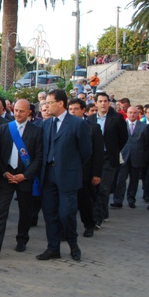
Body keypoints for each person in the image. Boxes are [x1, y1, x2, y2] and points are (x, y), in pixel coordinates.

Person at [37, 89, 91, 262]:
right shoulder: (45, 124)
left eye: (49, 102)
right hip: (48, 175)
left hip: (68, 176)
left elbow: (86, 152)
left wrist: (71, 166)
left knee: (66, 213)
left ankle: (73, 245)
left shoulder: (77, 124)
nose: (46, 106)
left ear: (60, 103)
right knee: (50, 213)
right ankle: (53, 248)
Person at [0, 100, 42, 257]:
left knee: (25, 211)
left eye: (21, 111)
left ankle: (22, 239)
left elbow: (38, 158)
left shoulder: (37, 131)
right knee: (0, 211)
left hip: (24, 177)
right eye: (15, 110)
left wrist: (25, 175)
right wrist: (3, 172)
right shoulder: (4, 129)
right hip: (6, 176)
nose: (17, 114)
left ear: (29, 112)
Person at [87, 92, 128, 228]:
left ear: (109, 103)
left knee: (104, 188)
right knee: (94, 187)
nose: (103, 104)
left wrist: (113, 150)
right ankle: (103, 212)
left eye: (105, 101)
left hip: (108, 158)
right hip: (93, 158)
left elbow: (123, 137)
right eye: (100, 101)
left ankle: (97, 218)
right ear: (96, 103)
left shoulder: (116, 118)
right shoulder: (91, 119)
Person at [69, 98, 103, 238]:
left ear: (83, 110)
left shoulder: (93, 127)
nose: (73, 112)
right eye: (70, 109)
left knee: (85, 201)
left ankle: (89, 224)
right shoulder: (65, 125)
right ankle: (67, 229)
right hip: (68, 170)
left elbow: (98, 152)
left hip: (85, 172)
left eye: (76, 109)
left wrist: (96, 174)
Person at [112, 106, 148, 209]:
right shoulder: (120, 125)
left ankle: (131, 199)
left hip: (137, 157)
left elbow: (146, 143)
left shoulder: (144, 126)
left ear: (138, 114)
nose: (132, 115)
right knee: (120, 179)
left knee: (134, 180)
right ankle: (118, 200)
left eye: (134, 113)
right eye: (130, 113)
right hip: (123, 156)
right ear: (126, 113)